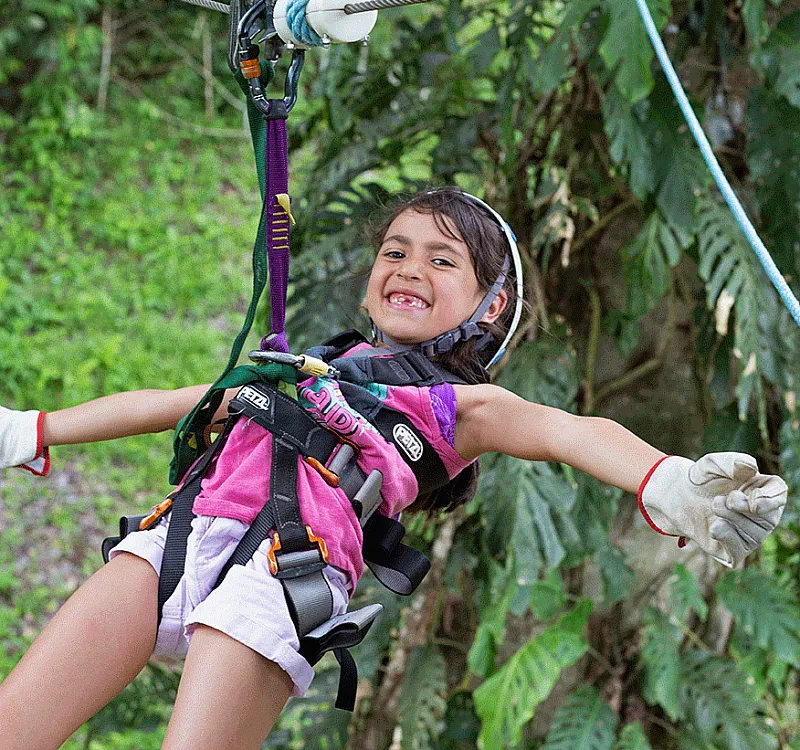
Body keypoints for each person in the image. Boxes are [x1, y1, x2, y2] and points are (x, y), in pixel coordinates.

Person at [0, 188, 787, 750]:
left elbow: (566, 430)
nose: (410, 266)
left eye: (442, 260)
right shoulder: (303, 366)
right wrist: (35, 430)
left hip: (283, 574)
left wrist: (666, 481)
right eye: (395, 251)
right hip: (174, 540)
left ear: (490, 307)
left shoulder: (458, 406)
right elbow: (173, 400)